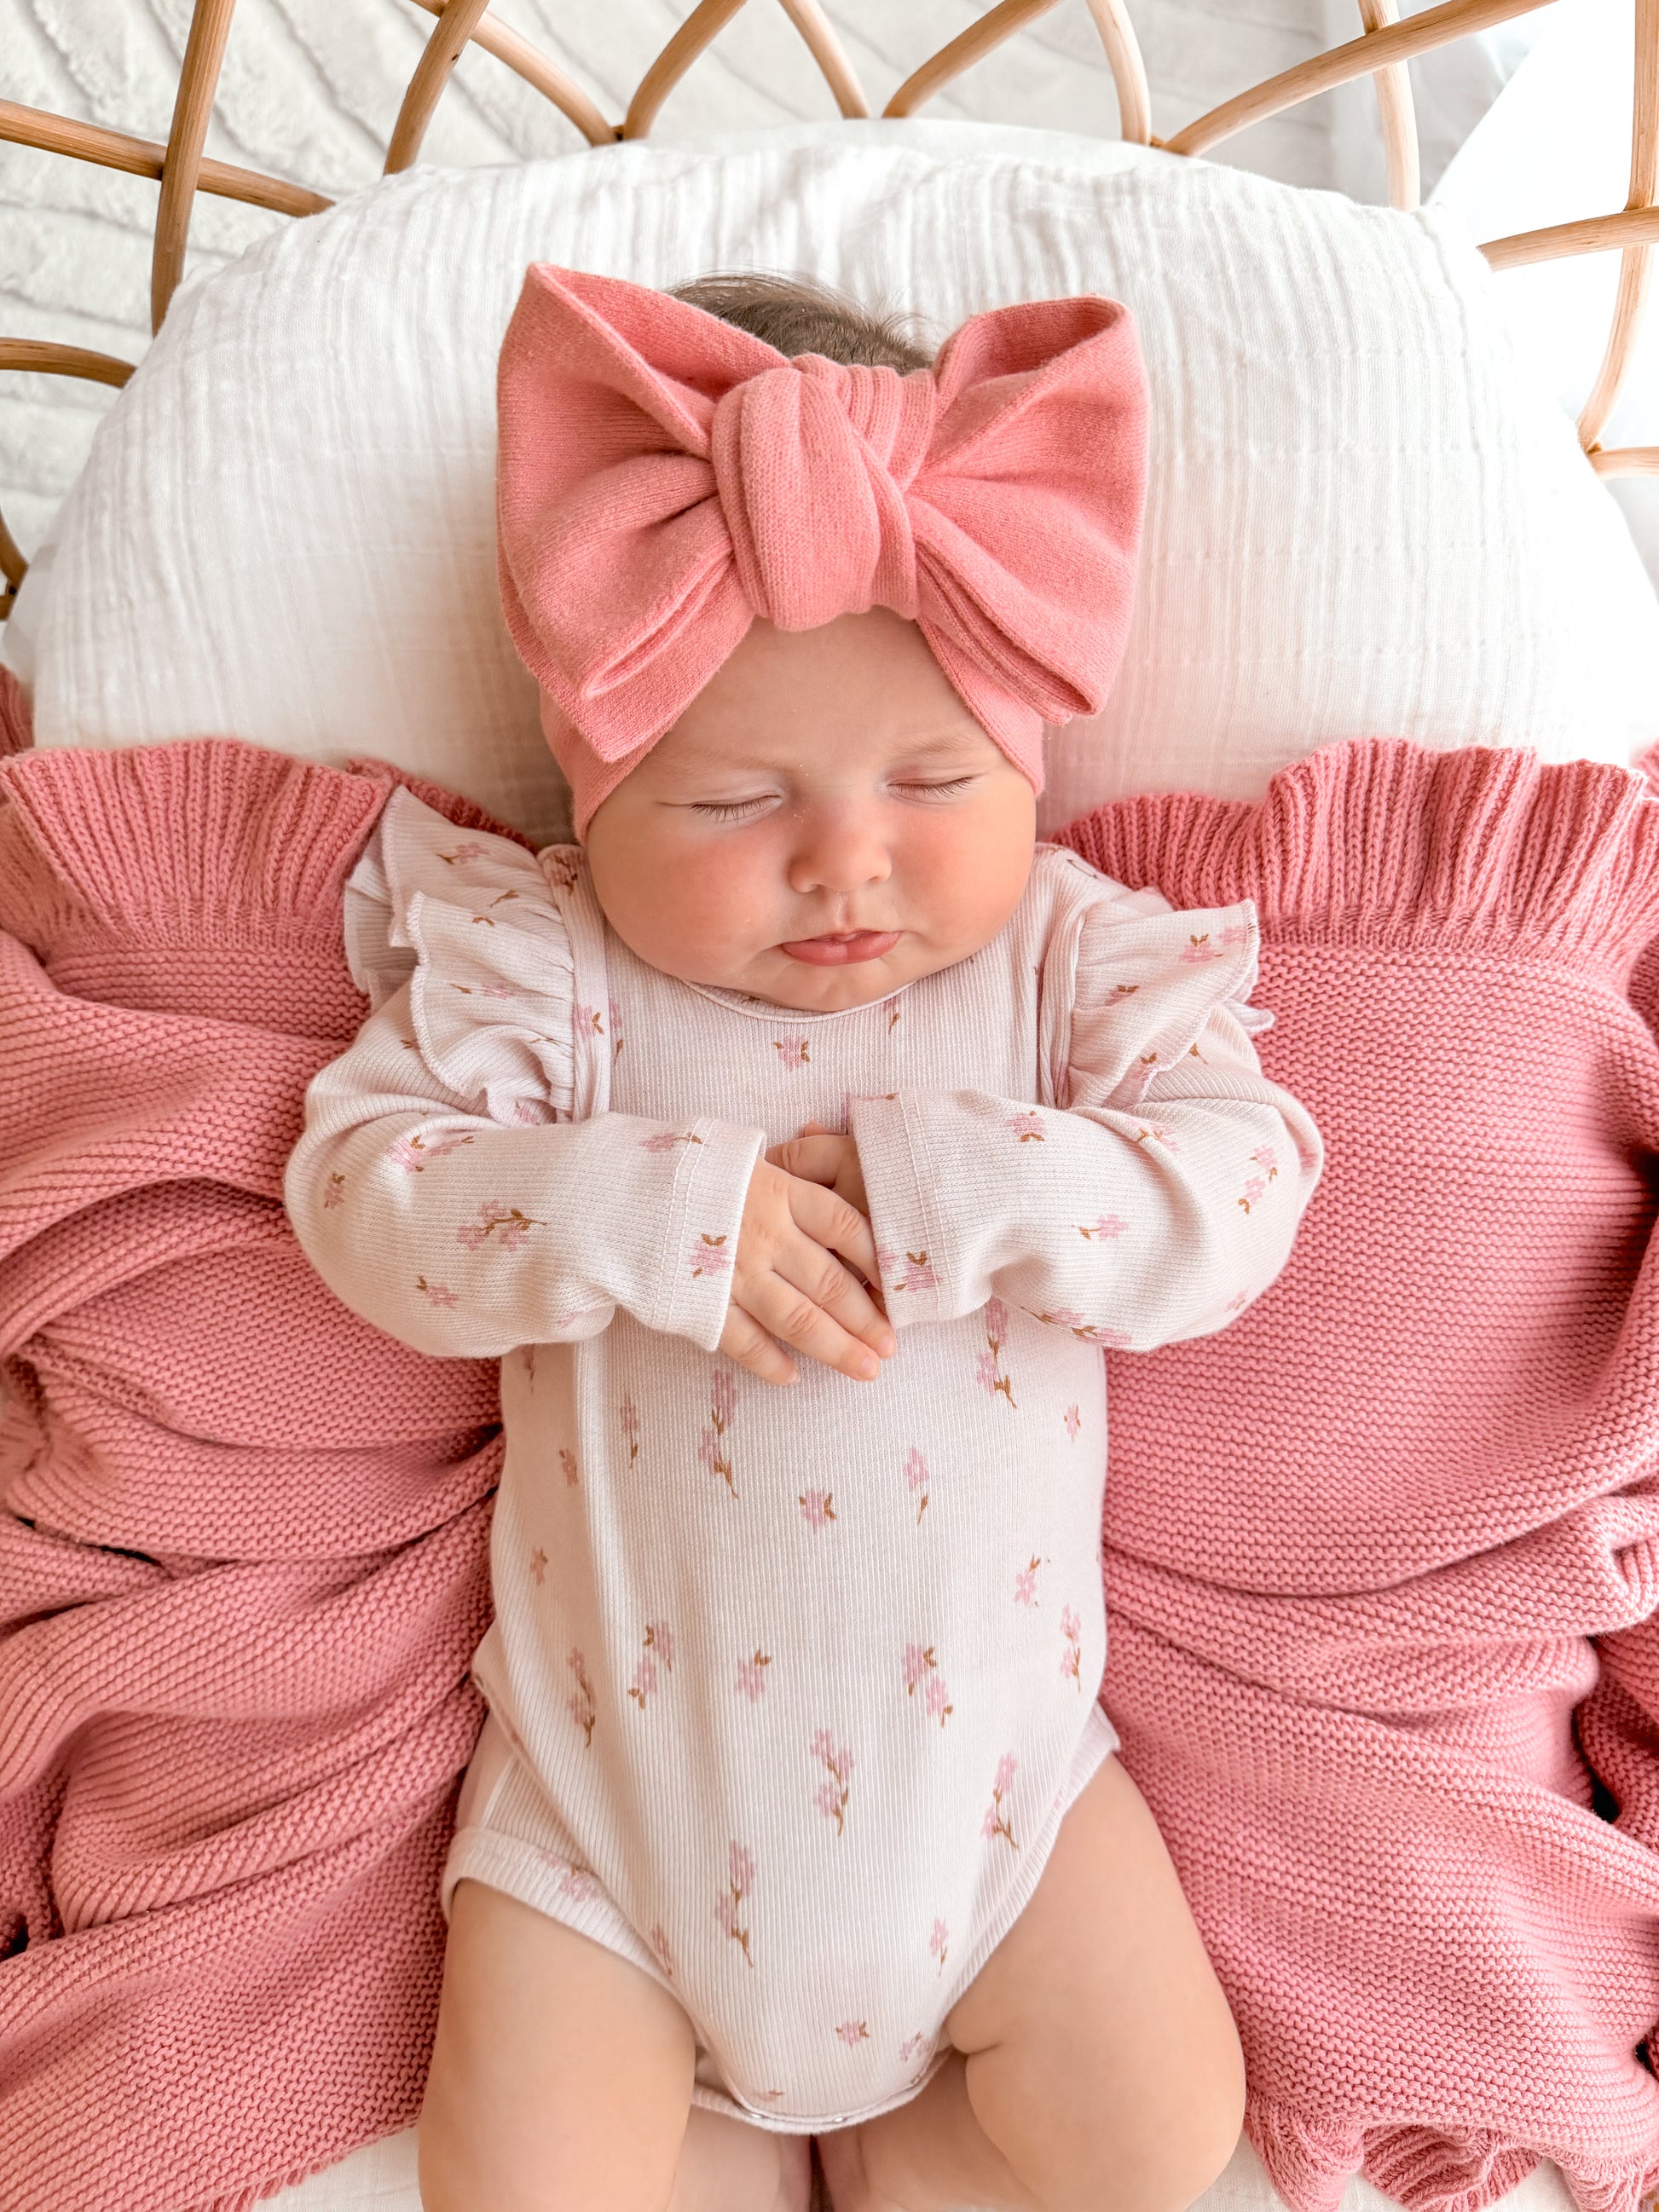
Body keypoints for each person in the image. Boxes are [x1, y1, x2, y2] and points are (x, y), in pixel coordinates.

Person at [285, 264, 1322, 2212]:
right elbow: (366, 1198)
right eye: (731, 797)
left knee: (1157, 2132)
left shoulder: (1064, 964)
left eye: (933, 780)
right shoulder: (551, 967)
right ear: (592, 780)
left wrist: (977, 1185)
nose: (845, 855)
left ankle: (905, 2160)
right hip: (612, 1830)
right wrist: (652, 1208)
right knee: (514, 2185)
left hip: (1004, 1806)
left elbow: (1246, 1189)